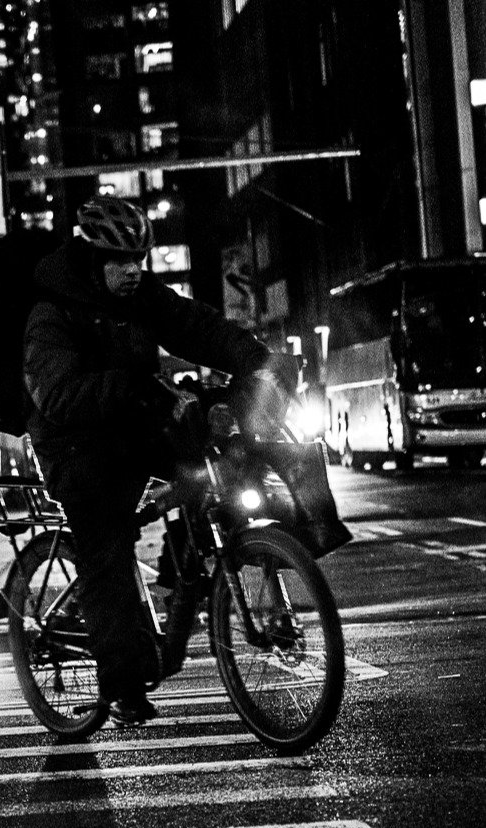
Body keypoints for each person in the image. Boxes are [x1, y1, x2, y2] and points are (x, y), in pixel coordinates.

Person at [22, 193, 351, 727]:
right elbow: (56, 394)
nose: (132, 272)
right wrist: (134, 387)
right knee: (106, 545)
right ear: (91, 259)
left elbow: (199, 327)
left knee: (215, 457)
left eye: (137, 261)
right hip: (73, 442)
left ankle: (189, 568)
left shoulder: (141, 296)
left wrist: (257, 361)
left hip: (132, 422)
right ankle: (122, 683)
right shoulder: (51, 312)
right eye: (118, 262)